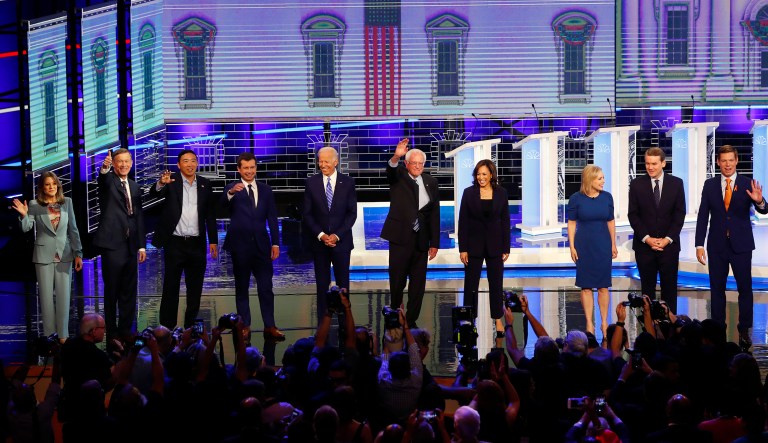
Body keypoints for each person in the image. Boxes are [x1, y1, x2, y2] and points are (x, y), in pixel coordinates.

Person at [695, 145, 767, 351]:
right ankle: (718, 330)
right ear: (718, 162)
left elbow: (764, 209)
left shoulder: (747, 184)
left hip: (741, 245)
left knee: (745, 289)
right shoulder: (709, 185)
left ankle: (744, 331)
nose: (727, 164)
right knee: (717, 289)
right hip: (717, 245)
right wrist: (699, 244)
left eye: (731, 160)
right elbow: (702, 216)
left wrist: (759, 201)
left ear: (736, 161)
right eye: (723, 160)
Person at [149, 149, 219, 329]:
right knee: (170, 287)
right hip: (175, 243)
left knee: (195, 289)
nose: (190, 164)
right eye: (185, 161)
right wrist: (159, 183)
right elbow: (153, 194)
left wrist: (213, 241)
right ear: (179, 165)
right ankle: (167, 329)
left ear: (197, 163)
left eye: (193, 161)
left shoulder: (205, 184)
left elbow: (210, 214)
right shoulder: (171, 182)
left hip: (197, 243)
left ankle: (190, 328)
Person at [12, 172, 83, 339]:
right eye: (47, 184)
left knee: (64, 298)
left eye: (53, 184)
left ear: (57, 185)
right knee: (45, 299)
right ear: (42, 187)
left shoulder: (67, 203)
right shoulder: (35, 204)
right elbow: (26, 227)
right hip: (43, 256)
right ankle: (49, 337)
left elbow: (73, 229)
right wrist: (23, 215)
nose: (51, 187)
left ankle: (63, 337)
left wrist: (78, 253)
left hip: (65, 255)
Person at [222, 152, 284, 340]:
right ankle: (244, 325)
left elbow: (272, 218)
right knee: (242, 287)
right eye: (245, 168)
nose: (249, 171)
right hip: (240, 246)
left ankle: (270, 326)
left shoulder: (265, 189)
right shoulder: (232, 189)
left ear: (256, 168)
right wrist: (231, 193)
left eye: (252, 167)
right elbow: (221, 206)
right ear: (239, 169)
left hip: (262, 246)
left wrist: (275, 243)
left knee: (266, 287)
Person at [380, 138, 440, 327]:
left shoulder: (430, 181)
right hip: (400, 237)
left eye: (420, 163)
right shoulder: (399, 176)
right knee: (397, 280)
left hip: (421, 240)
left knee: (418, 284)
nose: (417, 166)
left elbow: (434, 213)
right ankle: (396, 311)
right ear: (407, 164)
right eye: (414, 163)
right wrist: (396, 156)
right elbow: (390, 170)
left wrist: (435, 242)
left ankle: (411, 319)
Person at [93, 148, 146, 338]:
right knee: (112, 290)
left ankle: (126, 330)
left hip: (131, 245)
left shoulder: (135, 186)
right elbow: (103, 180)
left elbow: (138, 216)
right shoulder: (109, 182)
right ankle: (112, 332)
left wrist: (141, 245)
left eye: (126, 161)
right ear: (114, 164)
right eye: (119, 162)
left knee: (129, 291)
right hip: (113, 245)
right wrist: (104, 169)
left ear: (131, 163)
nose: (123, 165)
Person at [628, 147, 686, 313]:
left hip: (669, 247)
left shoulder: (676, 183)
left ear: (663, 163)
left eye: (654, 163)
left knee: (669, 291)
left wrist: (667, 239)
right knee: (647, 292)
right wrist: (647, 238)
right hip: (644, 248)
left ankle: (670, 330)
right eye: (647, 163)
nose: (650, 167)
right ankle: (649, 330)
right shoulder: (636, 184)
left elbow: (679, 215)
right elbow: (633, 215)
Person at [302, 147, 358, 320]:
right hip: (319, 244)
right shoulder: (311, 183)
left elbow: (351, 214)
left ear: (336, 162)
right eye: (320, 161)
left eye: (326, 161)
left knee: (343, 285)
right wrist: (321, 235)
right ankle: (323, 322)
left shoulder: (348, 182)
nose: (322, 164)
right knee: (321, 285)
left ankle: (345, 321)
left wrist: (336, 235)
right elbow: (307, 214)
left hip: (341, 243)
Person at [457, 159, 510, 334]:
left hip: (495, 245)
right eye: (478, 174)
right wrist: (462, 248)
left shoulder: (501, 193)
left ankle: (498, 319)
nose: (481, 177)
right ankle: (469, 320)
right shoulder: (468, 193)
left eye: (484, 174)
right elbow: (463, 221)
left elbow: (505, 221)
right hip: (473, 246)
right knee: (471, 284)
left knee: (496, 284)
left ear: (491, 175)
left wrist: (506, 247)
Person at [567, 165, 617, 337]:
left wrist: (613, 244)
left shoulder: (607, 198)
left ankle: (604, 322)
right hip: (584, 246)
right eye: (600, 178)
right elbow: (572, 223)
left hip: (603, 244)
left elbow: (611, 221)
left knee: (603, 285)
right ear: (589, 180)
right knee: (586, 286)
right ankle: (589, 322)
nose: (603, 181)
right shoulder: (576, 199)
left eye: (603, 178)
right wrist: (572, 246)